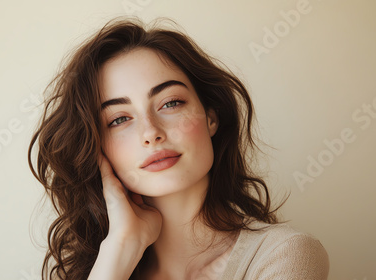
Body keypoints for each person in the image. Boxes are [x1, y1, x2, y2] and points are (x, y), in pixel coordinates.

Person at [28, 17, 329, 280]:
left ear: (211, 117)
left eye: (170, 103)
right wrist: (119, 248)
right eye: (119, 119)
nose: (151, 133)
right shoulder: (101, 267)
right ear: (97, 147)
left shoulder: (283, 255)